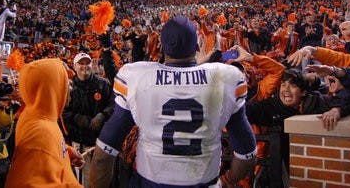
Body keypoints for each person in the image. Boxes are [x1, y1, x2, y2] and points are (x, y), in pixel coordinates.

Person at [91, 15, 257, 187]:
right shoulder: (225, 77)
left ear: (162, 46)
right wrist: (225, 182)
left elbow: (103, 157)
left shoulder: (136, 76)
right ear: (197, 46)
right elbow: (248, 155)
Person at [5, 58, 84, 187]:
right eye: (64, 81)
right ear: (50, 87)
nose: (70, 86)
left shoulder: (35, 115)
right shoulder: (41, 131)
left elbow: (43, 152)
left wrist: (67, 151)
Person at [62, 51, 115, 187]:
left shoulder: (103, 84)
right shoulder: (69, 86)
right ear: (74, 66)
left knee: (101, 178)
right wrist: (81, 120)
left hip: (100, 142)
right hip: (79, 142)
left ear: (92, 64)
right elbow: (63, 111)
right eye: (81, 64)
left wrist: (103, 115)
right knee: (82, 179)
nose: (85, 66)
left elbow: (114, 103)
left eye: (87, 63)